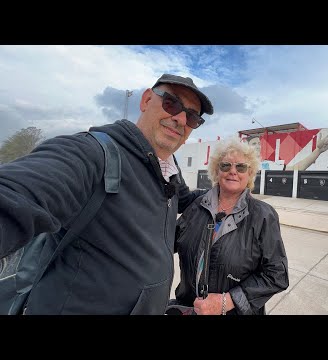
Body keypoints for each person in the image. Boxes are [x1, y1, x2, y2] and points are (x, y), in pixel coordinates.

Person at [0, 74, 213, 314]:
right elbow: (16, 194)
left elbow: (184, 198)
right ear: (145, 100)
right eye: (171, 103)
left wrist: (227, 189)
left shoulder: (170, 170)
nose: (181, 119)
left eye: (193, 117)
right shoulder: (93, 154)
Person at [172, 137, 289, 315]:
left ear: (249, 174)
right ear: (216, 171)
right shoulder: (196, 205)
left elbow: (277, 275)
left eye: (240, 167)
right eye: (225, 165)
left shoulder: (264, 215)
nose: (232, 171)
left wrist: (226, 301)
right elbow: (166, 241)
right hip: (188, 308)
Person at [248, 129, 328, 171]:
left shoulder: (266, 164)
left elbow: (296, 169)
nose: (258, 146)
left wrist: (317, 151)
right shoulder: (238, 165)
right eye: (254, 144)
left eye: (259, 143)